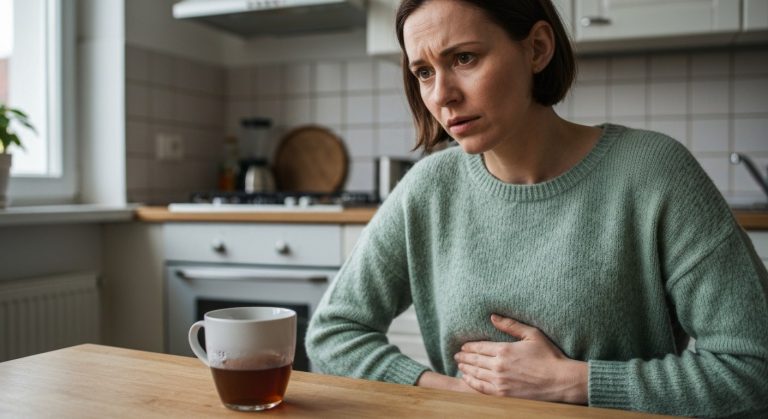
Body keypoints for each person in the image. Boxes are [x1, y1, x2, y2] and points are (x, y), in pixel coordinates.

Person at [306, 0, 768, 417]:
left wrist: (574, 382)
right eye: (423, 72)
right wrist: (444, 391)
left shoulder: (655, 174)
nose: (441, 95)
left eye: (463, 58)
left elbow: (753, 367)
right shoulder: (428, 188)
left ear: (537, 48)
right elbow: (331, 334)